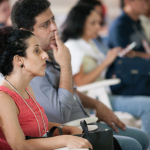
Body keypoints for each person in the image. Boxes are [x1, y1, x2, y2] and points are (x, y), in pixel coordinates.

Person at [11, 0, 149, 150]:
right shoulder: (30, 66)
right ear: (26, 32)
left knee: (142, 137)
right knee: (133, 144)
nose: (54, 28)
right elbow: (61, 115)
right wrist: (66, 66)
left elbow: (68, 91)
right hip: (73, 132)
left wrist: (96, 104)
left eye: (53, 20)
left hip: (86, 122)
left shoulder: (51, 52)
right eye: (45, 25)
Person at [61, 3, 150, 150]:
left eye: (99, 22)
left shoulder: (92, 43)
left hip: (107, 91)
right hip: (95, 97)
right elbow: (80, 82)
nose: (98, 27)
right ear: (80, 23)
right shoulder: (74, 46)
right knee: (147, 105)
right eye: (93, 23)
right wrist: (106, 62)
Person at [0, 26, 92, 150]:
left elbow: (37, 126)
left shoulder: (26, 88)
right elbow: (19, 146)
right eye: (37, 50)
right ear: (18, 59)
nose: (45, 55)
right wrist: (64, 139)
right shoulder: (4, 99)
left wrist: (66, 129)